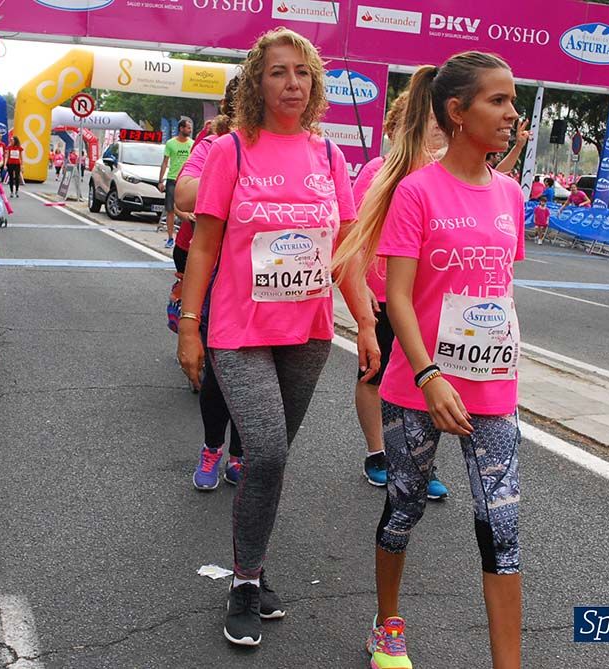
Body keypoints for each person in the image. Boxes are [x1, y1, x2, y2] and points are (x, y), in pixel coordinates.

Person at [177, 27, 379, 647]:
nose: (292, 83)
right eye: (278, 72)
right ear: (256, 84)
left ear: (314, 83)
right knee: (264, 452)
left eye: (302, 72)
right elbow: (205, 244)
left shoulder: (328, 157)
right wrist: (191, 327)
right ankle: (243, 582)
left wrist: (367, 323)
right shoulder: (231, 152)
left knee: (271, 460)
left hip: (309, 331)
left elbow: (345, 250)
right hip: (238, 330)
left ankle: (253, 567)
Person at [334, 52, 525, 669]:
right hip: (418, 386)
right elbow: (398, 297)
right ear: (456, 112)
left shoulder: (511, 195)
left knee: (502, 528)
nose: (511, 113)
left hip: (492, 390)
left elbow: (497, 289)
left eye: (512, 100)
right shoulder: (416, 191)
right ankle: (387, 623)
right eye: (497, 101)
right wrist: (428, 373)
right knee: (406, 506)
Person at [349, 92, 450, 498]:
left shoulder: (449, 175)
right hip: (380, 295)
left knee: (423, 378)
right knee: (373, 374)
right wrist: (358, 295)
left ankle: (419, 459)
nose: (440, 127)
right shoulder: (378, 170)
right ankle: (378, 454)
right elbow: (353, 236)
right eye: (432, 119)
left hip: (426, 299)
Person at [173, 76, 244, 490]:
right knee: (221, 375)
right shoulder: (213, 146)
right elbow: (184, 196)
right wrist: (238, 171)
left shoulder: (299, 146)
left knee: (257, 379)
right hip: (218, 274)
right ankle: (212, 448)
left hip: (269, 287)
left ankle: (240, 454)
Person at [158, 116, 195, 248]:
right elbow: (165, 162)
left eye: (190, 128)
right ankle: (170, 238)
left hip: (187, 180)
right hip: (173, 179)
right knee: (170, 209)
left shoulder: (192, 143)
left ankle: (187, 238)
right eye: (188, 128)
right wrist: (160, 180)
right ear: (181, 128)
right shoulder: (170, 143)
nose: (190, 130)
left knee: (188, 209)